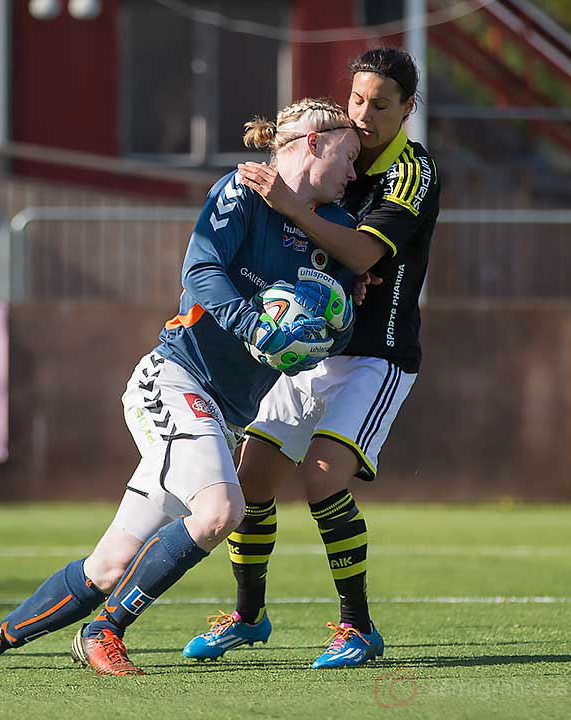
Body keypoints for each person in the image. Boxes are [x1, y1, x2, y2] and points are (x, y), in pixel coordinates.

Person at [0, 98, 362, 677]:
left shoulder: (339, 229)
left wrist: (326, 332)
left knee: (110, 565)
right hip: (173, 379)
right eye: (348, 156)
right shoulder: (241, 190)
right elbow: (200, 273)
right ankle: (105, 630)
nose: (354, 173)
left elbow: (326, 334)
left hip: (220, 414)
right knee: (224, 509)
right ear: (313, 144)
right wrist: (255, 324)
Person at [181, 47, 441, 669]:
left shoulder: (412, 171)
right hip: (308, 351)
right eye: (357, 99)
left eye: (381, 104)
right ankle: (248, 618)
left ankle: (358, 628)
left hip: (376, 357)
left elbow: (361, 254)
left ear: (408, 108)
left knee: (323, 475)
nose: (365, 114)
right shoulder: (332, 157)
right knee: (253, 476)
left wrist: (292, 208)